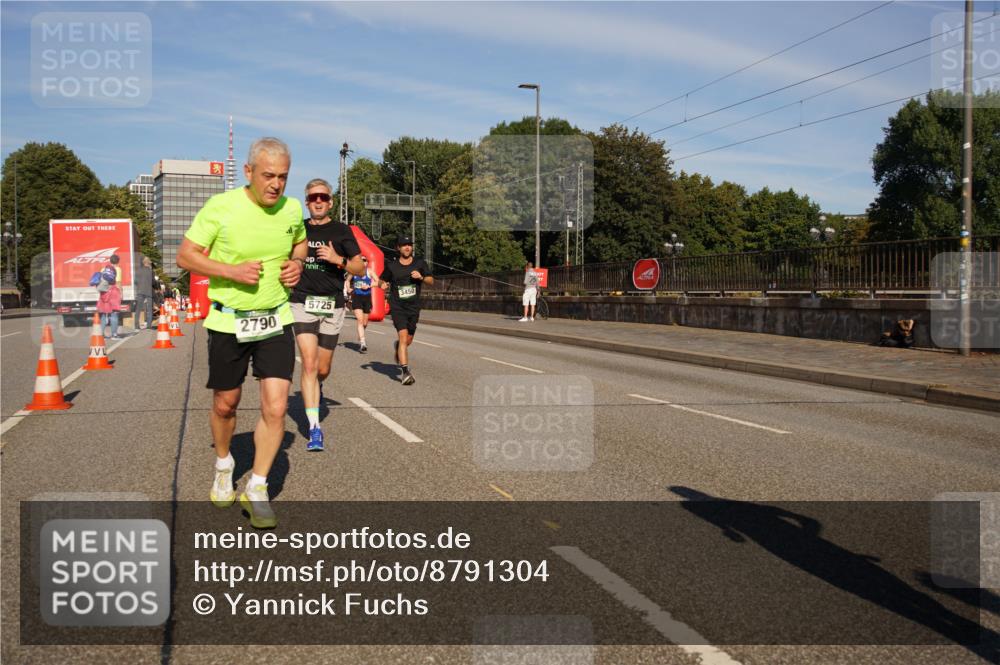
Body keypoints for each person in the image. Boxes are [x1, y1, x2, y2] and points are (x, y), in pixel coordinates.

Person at [176, 136, 307, 529]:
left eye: (283, 177)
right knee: (226, 404)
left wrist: (297, 265)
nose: (276, 185)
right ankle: (223, 464)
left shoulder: (292, 208)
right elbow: (186, 255)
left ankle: (258, 487)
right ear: (248, 172)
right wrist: (231, 271)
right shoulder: (221, 207)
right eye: (268, 175)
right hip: (228, 320)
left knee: (276, 406)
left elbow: (299, 245)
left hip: (275, 318)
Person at [289, 178, 363, 452]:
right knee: (308, 364)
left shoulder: (342, 230)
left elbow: (360, 269)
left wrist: (337, 259)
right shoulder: (298, 228)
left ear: (330, 201)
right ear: (307, 202)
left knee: (322, 368)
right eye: (312, 197)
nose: (317, 201)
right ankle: (314, 428)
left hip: (332, 305)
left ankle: (315, 389)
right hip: (301, 301)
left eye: (322, 197)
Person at [377, 235, 433, 385]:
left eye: (409, 245)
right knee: (403, 337)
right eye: (404, 245)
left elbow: (431, 280)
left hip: (413, 307)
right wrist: (381, 285)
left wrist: (421, 277)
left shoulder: (419, 263)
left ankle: (399, 348)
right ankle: (405, 372)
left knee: (408, 340)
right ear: (398, 248)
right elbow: (381, 280)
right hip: (397, 307)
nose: (407, 247)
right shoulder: (392, 266)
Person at [348, 256, 378, 354]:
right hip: (357, 298)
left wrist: (369, 285)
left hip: (367, 299)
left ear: (367, 262)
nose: (363, 262)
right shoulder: (354, 272)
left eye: (365, 260)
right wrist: (348, 289)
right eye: (361, 260)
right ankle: (363, 343)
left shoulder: (369, 272)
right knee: (360, 321)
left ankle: (361, 334)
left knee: (365, 323)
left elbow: (378, 281)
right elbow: (347, 281)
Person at [97, 254, 122, 338]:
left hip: (104, 293)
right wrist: (121, 294)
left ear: (110, 260)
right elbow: (118, 283)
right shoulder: (117, 269)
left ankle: (101, 334)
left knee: (103, 314)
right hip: (113, 292)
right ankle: (114, 334)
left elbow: (100, 281)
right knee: (114, 313)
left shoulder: (103, 269)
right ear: (118, 261)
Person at [135, 256, 155, 330]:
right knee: (149, 309)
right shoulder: (151, 271)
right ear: (148, 263)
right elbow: (153, 282)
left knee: (138, 309)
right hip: (148, 291)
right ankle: (149, 326)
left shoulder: (138, 270)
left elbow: (135, 281)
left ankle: (136, 325)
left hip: (140, 291)